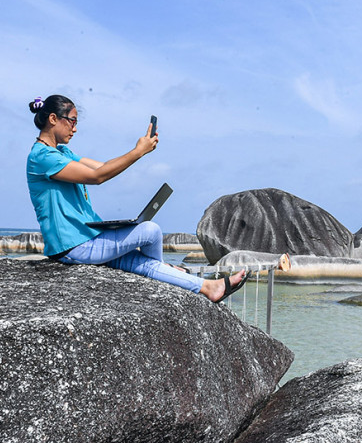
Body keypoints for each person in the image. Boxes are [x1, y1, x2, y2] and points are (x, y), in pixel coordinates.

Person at [26, 94, 246, 302]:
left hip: (88, 238)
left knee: (143, 262)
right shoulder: (42, 157)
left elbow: (102, 167)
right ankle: (165, 270)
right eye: (72, 121)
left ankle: (210, 287)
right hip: (74, 246)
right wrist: (137, 152)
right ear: (53, 119)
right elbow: (97, 176)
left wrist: (138, 150)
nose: (74, 129)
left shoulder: (62, 153)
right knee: (150, 231)